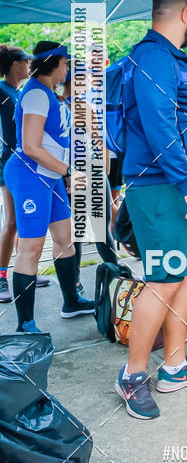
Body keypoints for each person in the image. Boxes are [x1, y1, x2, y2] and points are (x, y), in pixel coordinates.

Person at [115, 0, 187, 420]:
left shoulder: (167, 56)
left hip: (176, 185)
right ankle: (132, 375)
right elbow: (159, 123)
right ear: (186, 13)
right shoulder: (155, 56)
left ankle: (174, 365)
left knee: (186, 272)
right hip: (161, 185)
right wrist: (186, 183)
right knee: (163, 278)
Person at [3, 41, 95, 332]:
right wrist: (68, 171)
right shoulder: (36, 95)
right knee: (31, 248)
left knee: (64, 237)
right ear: (54, 63)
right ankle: (25, 324)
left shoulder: (49, 93)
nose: (68, 69)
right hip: (30, 175)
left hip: (49, 175)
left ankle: (72, 302)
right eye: (65, 63)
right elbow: (30, 146)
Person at [0, 45, 51, 303]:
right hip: (8, 163)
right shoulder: (1, 91)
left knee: (23, 220)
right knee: (11, 222)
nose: (29, 65)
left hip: (27, 163)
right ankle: (1, 278)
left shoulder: (19, 92)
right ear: (14, 64)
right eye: (26, 61)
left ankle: (26, 271)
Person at [61, 68, 118, 294]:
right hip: (82, 171)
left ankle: (79, 283)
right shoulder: (75, 106)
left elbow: (98, 142)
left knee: (81, 231)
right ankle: (115, 277)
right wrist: (104, 173)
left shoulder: (65, 106)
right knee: (97, 230)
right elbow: (99, 142)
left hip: (75, 172)